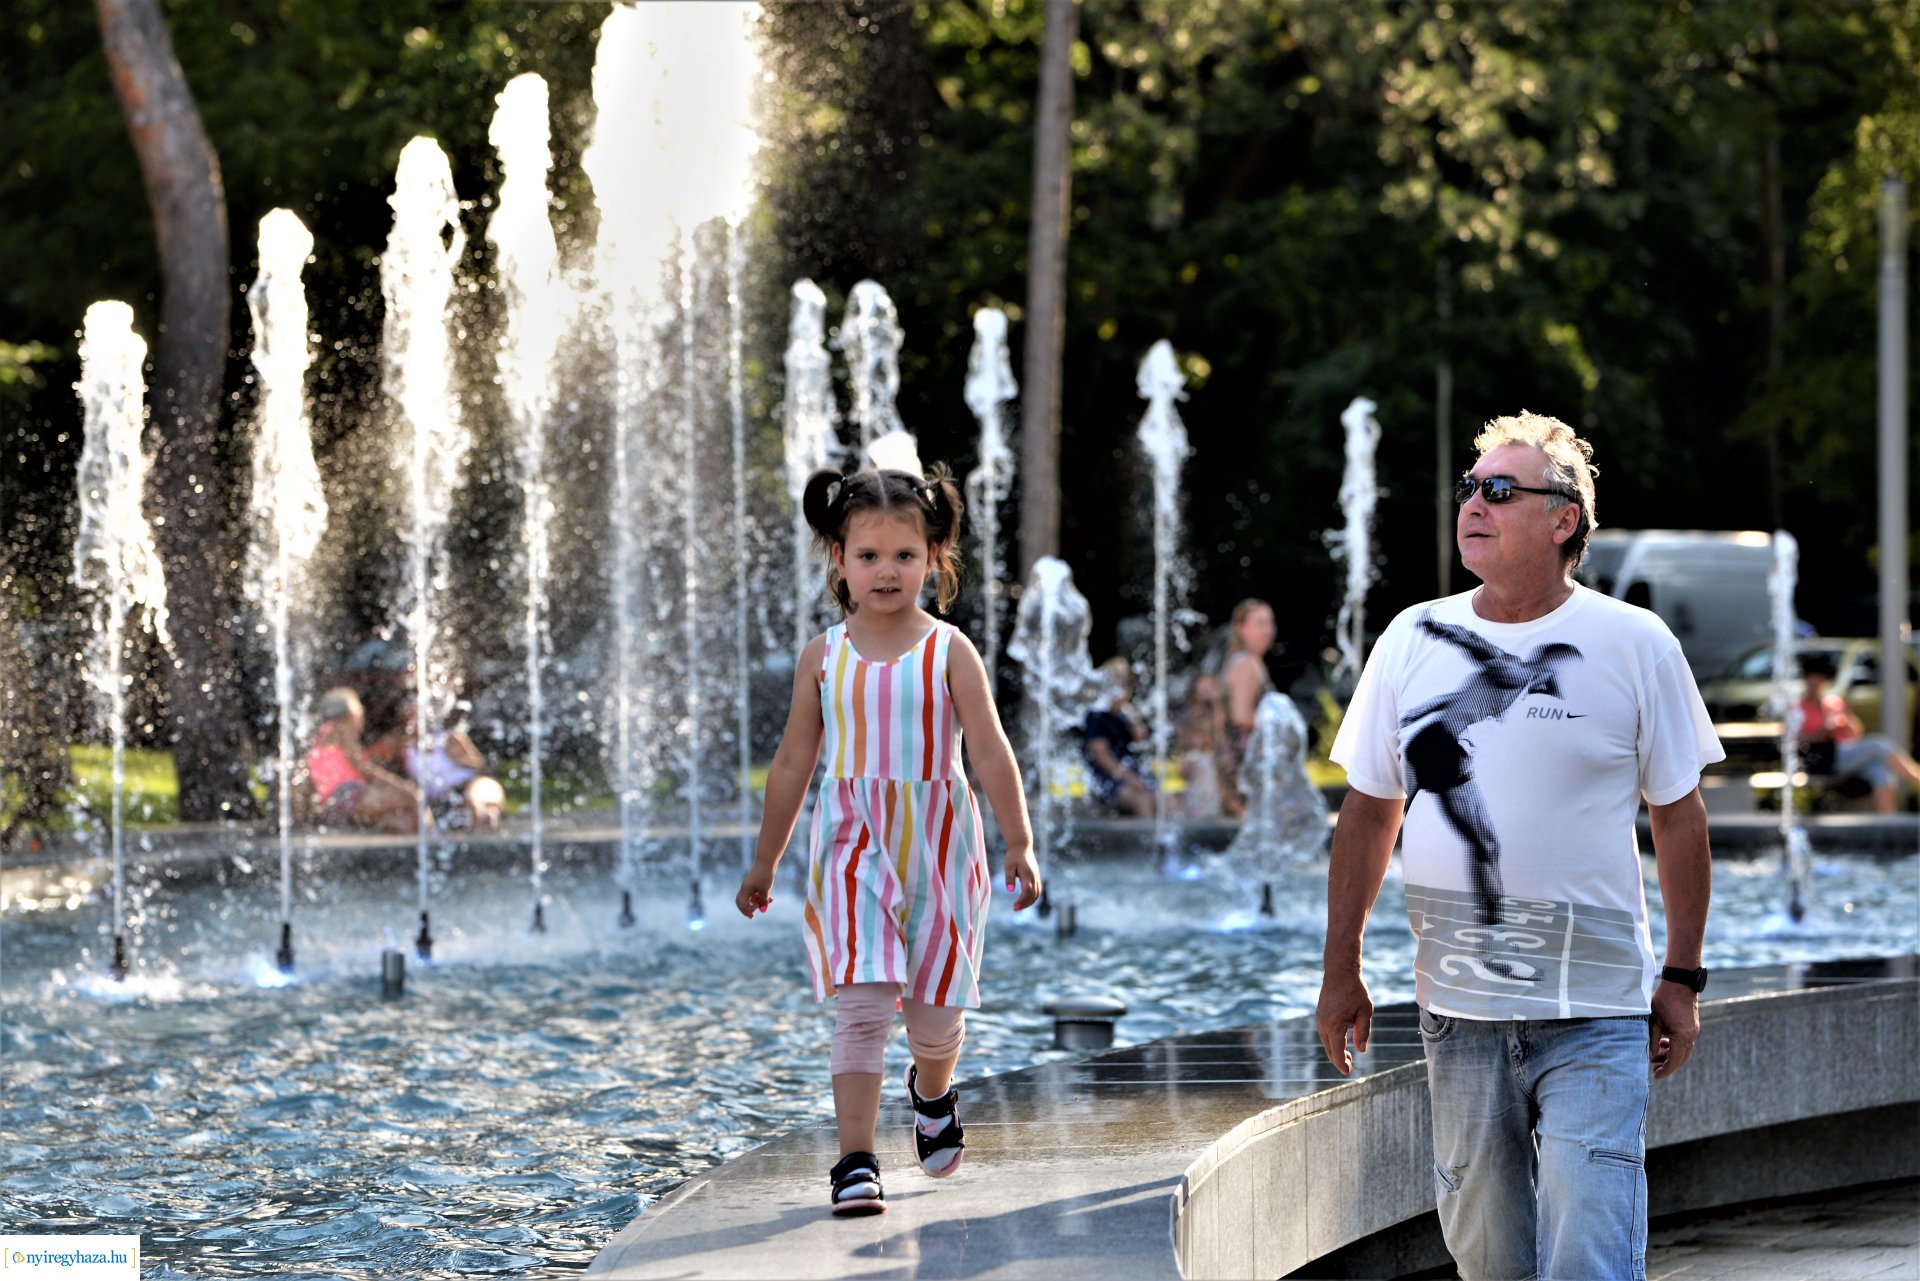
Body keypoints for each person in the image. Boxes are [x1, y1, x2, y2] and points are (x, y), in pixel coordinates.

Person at [1314, 411, 1719, 1280]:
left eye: (1500, 490)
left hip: (1597, 1011)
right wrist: (1340, 965)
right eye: (1470, 487)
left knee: (1589, 1254)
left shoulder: (1635, 643)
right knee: (1490, 1259)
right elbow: (1369, 811)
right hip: (1456, 1012)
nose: (1474, 504)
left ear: (1562, 517)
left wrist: (1681, 976)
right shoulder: (1410, 637)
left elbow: (1679, 818)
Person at [735, 464, 1041, 1218]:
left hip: (940, 848)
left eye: (904, 554)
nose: (885, 570)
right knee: (864, 1005)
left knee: (934, 1020)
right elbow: (792, 764)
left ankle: (932, 1092)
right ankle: (854, 1159)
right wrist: (766, 858)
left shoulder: (950, 651)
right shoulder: (823, 656)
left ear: (934, 557)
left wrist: (1019, 842)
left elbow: (992, 750)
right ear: (837, 558)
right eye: (867, 555)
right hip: (852, 847)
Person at [1795, 652, 1920, 813]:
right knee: (1878, 744)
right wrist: (1823, 730)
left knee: (1880, 771)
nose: (1815, 684)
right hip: (1823, 760)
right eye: (1811, 680)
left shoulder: (1833, 702)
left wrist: (1847, 719)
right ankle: (1917, 780)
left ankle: (1888, 821)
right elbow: (1797, 740)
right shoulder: (1798, 708)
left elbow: (1855, 735)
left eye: (1819, 680)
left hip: (1846, 754)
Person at [369, 697, 505, 831]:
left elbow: (479, 766)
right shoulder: (403, 746)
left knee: (474, 802)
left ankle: (486, 833)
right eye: (410, 718)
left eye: (419, 716)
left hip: (472, 785)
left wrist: (460, 753)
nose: (416, 722)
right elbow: (366, 761)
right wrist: (395, 783)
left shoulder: (448, 737)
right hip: (443, 800)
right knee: (406, 822)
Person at [305, 687, 420, 835]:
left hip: (333, 803)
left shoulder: (323, 733)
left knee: (406, 822)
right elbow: (362, 768)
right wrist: (402, 786)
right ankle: (435, 846)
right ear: (350, 713)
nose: (362, 715)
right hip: (348, 796)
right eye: (359, 709)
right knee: (414, 799)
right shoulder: (342, 729)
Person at [1218, 598, 1276, 812]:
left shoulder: (1245, 660)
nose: (1268, 630)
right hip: (1243, 762)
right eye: (1260, 623)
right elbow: (1241, 716)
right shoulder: (1246, 663)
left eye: (1270, 623)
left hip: (1239, 761)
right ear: (1242, 628)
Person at [1081, 656, 1154, 817]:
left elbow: (1141, 745)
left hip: (1130, 775)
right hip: (1108, 780)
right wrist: (1131, 779)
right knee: (1143, 800)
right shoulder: (1096, 716)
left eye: (1127, 686)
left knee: (1166, 798)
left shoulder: (1124, 716)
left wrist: (1136, 724)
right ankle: (1150, 841)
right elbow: (1101, 756)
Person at [1174, 670, 1234, 819]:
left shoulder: (1219, 714)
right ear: (1194, 693)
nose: (1207, 694)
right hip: (1198, 763)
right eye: (1202, 690)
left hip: (1214, 762)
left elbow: (1221, 741)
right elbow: (1183, 749)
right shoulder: (1188, 718)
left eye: (1210, 689)